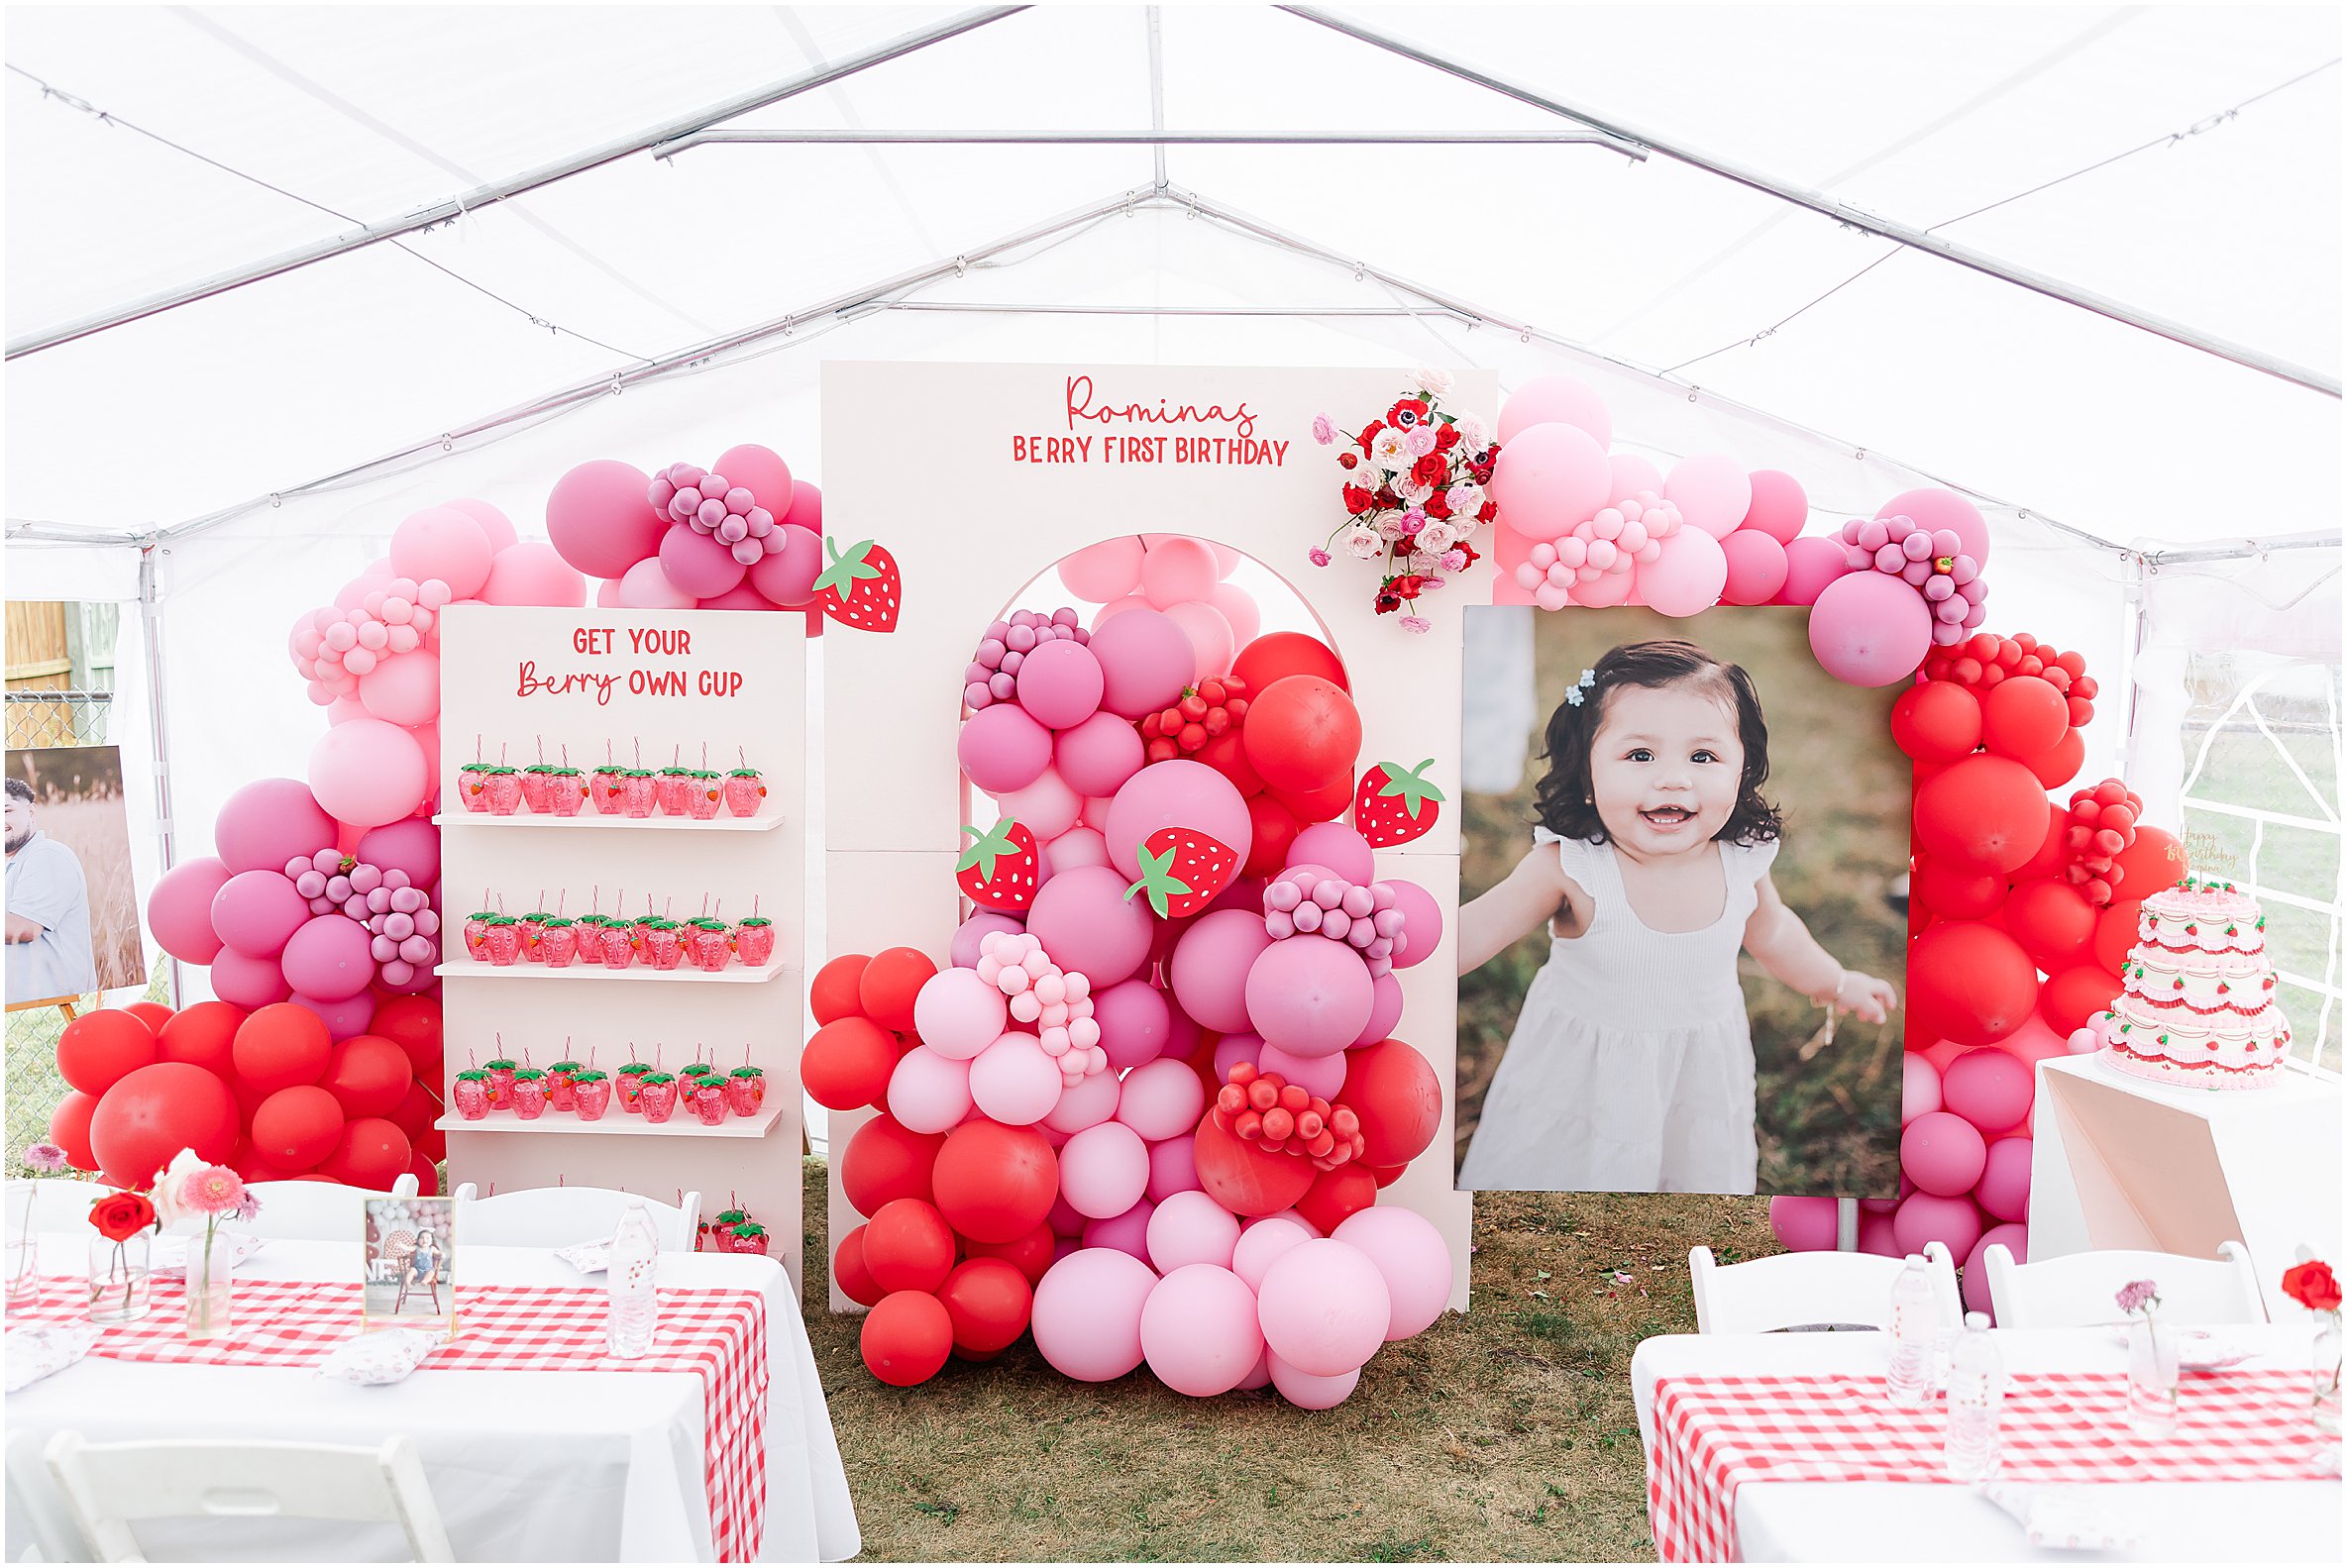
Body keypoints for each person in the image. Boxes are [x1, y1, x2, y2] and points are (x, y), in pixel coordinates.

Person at [1456, 640, 1896, 1194]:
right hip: (1581, 1072)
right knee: (1564, 1164)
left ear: (1743, 770)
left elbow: (1775, 932)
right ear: (1587, 772)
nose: (1673, 779)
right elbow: (1474, 932)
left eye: (1703, 757)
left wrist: (1837, 980)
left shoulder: (1741, 862)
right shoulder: (1569, 868)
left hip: (1700, 1069)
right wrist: (1405, 954)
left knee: (1689, 1164)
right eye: (1640, 756)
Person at [4, 777, 96, 1005]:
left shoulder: (47, 856)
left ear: (31, 811)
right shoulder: (9, 865)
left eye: (6, 810)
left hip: (49, 1000)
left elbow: (23, 928)